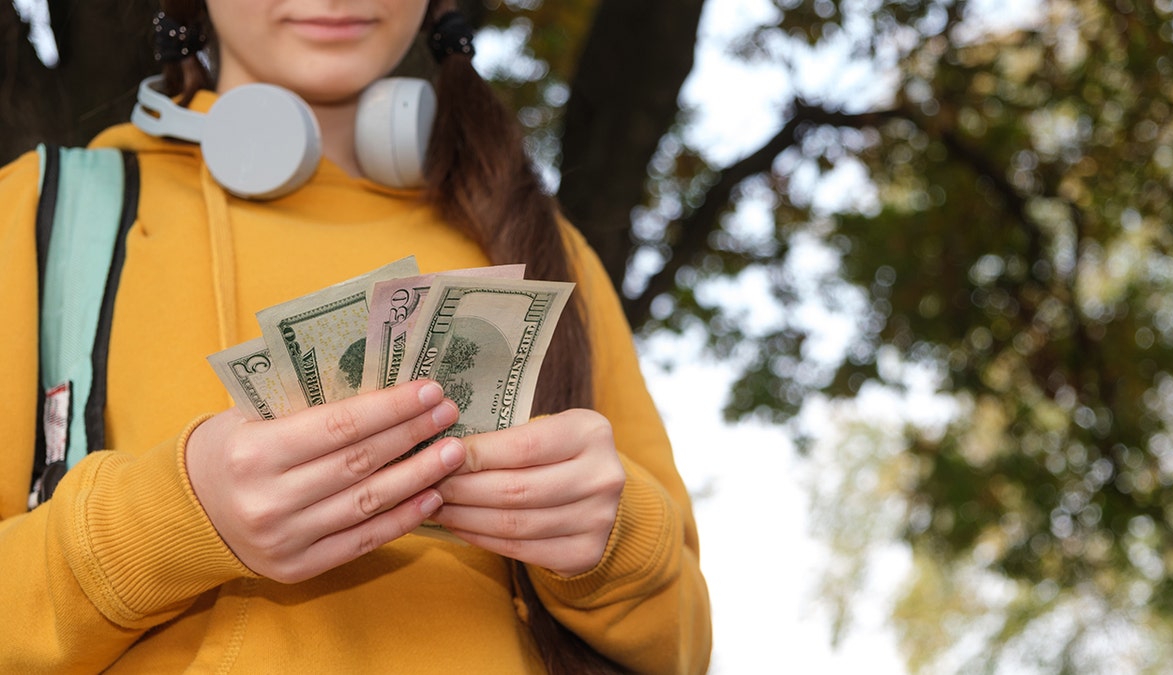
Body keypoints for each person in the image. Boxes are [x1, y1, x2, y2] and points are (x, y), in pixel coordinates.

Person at [0, 0, 711, 672]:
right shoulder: (37, 215)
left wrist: (614, 543)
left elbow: (685, 644)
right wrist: (170, 522)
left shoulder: (548, 245)